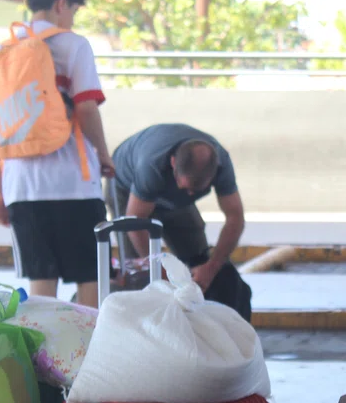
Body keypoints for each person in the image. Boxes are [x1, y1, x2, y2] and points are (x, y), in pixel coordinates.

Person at [0, 0, 114, 308]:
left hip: (22, 188)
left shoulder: (0, 54)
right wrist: (104, 155)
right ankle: (87, 354)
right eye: (75, 10)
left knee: (41, 283)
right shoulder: (73, 45)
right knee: (90, 279)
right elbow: (86, 108)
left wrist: (0, 192)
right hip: (74, 185)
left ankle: (44, 354)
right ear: (61, 4)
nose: (74, 18)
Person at [108, 123, 252, 320]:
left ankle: (198, 323)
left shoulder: (221, 163)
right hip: (128, 189)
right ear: (173, 162)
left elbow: (235, 218)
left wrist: (211, 267)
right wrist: (158, 269)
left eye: (196, 190)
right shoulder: (150, 165)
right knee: (141, 273)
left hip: (172, 199)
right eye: (185, 188)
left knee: (198, 257)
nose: (190, 194)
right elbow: (136, 222)